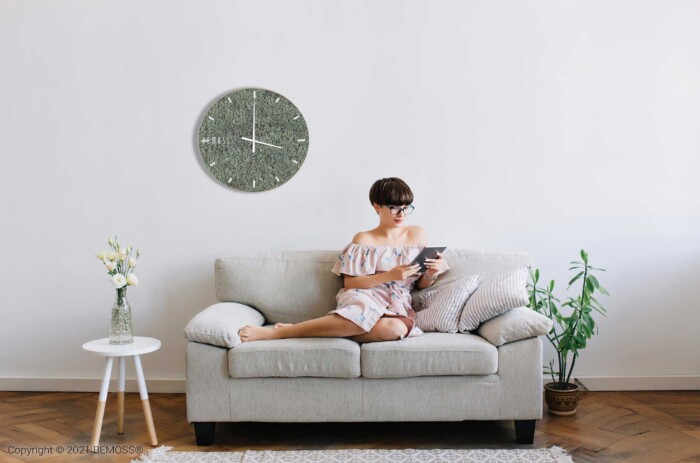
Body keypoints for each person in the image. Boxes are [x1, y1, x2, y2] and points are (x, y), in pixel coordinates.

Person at [238, 177, 449, 343]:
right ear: (377, 206)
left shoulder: (418, 235)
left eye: (406, 207)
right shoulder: (363, 239)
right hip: (365, 296)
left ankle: (308, 330)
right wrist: (389, 275)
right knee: (362, 314)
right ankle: (280, 335)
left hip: (398, 302)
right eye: (394, 207)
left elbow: (420, 283)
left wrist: (431, 274)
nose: (401, 213)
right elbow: (351, 283)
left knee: (395, 329)